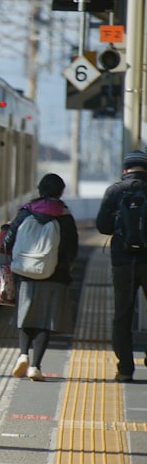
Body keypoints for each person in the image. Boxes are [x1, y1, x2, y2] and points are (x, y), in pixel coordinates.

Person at [2, 173, 78, 382]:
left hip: (25, 274)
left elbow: (7, 242)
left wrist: (6, 230)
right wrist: (63, 269)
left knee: (25, 316)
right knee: (44, 320)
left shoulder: (26, 212)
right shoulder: (64, 216)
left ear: (40, 189)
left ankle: (23, 355)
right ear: (61, 191)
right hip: (54, 276)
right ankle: (35, 367)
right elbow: (72, 249)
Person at [95, 150, 147, 382]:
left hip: (123, 262)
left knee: (122, 315)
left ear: (125, 169)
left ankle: (125, 369)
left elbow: (103, 226)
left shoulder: (115, 191)